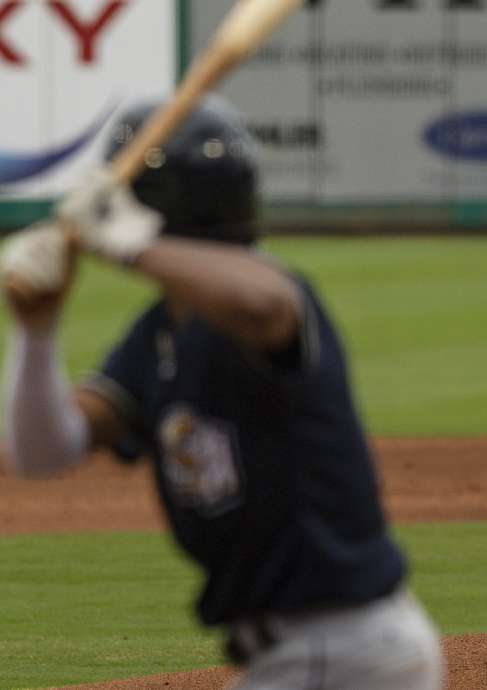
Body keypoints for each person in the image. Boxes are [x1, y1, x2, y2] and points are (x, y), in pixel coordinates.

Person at [0, 97, 444, 690]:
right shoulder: (160, 332)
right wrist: (36, 331)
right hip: (306, 658)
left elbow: (265, 304)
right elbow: (43, 452)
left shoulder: (265, 300)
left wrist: (127, 243)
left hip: (344, 652)